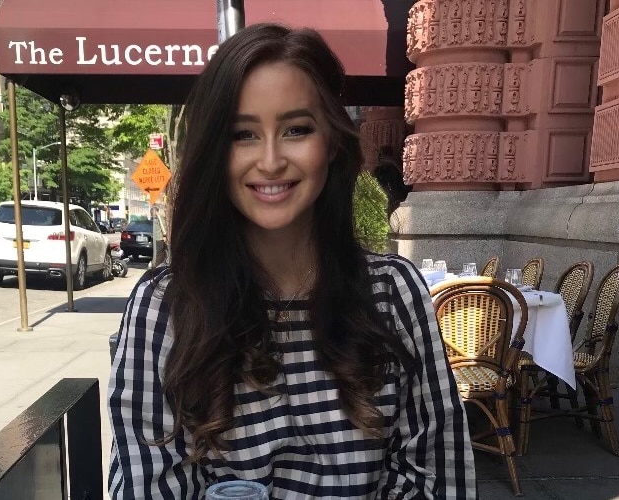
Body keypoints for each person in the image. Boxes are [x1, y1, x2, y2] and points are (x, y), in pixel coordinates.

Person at [108, 23, 476, 499]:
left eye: (297, 129)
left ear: (333, 143)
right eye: (243, 134)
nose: (271, 160)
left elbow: (438, 476)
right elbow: (146, 486)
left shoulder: (394, 293)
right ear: (215, 153)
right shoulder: (164, 308)